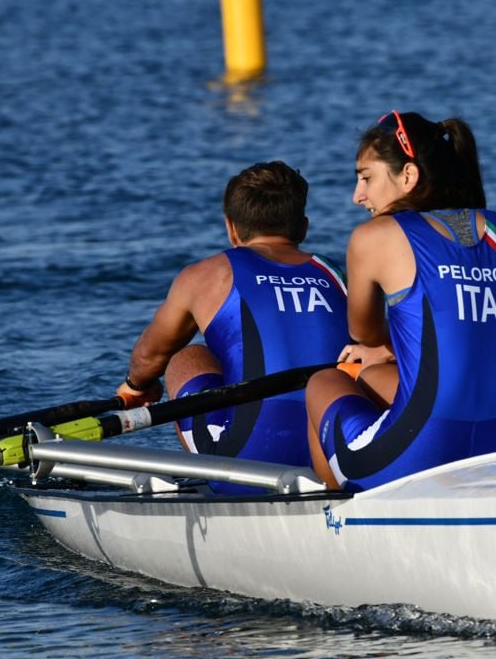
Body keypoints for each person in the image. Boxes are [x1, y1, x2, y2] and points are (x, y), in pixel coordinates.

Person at [305, 110, 496, 491]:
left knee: (325, 380)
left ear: (408, 176)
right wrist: (389, 353)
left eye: (366, 178)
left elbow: (364, 335)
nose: (358, 196)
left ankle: (332, 512)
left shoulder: (373, 236)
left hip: (420, 452)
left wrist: (383, 348)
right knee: (373, 373)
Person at [117, 161, 350, 493]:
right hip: (337, 454)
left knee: (186, 356)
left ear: (231, 228)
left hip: (249, 466)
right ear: (303, 228)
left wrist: (135, 387)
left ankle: (216, 471)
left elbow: (147, 358)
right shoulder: (334, 273)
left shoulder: (206, 275)